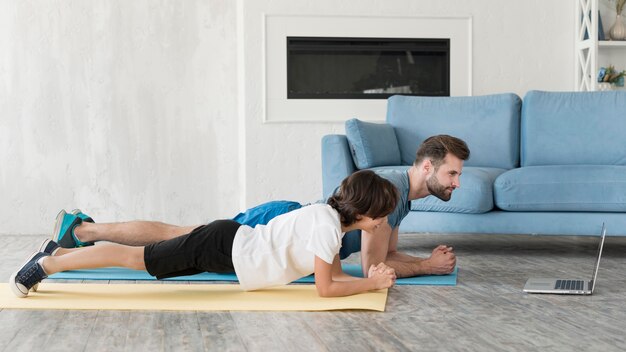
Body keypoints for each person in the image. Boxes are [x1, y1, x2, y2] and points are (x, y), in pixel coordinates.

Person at [52, 134, 470, 279]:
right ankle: (83, 231)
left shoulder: (400, 197)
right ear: (428, 166)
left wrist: (420, 262)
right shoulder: (391, 194)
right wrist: (427, 267)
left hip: (291, 225)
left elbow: (385, 256)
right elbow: (372, 264)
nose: (457, 182)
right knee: (177, 236)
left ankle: (83, 234)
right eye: (452, 174)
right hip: (276, 224)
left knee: (181, 235)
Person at [10, 170, 399, 298]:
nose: (383, 222)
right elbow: (325, 288)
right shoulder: (327, 226)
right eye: (381, 215)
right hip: (222, 248)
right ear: (363, 212)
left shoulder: (326, 219)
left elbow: (336, 276)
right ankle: (46, 264)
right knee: (136, 258)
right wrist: (372, 285)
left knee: (146, 252)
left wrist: (370, 280)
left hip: (228, 243)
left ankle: (57, 256)